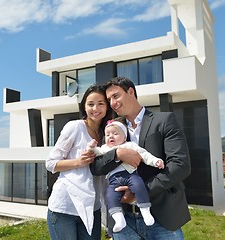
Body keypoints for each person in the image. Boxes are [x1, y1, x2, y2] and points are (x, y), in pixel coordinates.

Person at [90, 76, 191, 239]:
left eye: (116, 96)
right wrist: (117, 154)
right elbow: (96, 166)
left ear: (131, 91)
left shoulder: (164, 120)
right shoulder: (112, 128)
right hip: (124, 220)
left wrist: (138, 193)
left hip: (162, 218)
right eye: (109, 100)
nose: (112, 103)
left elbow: (180, 165)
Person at [46, 84, 113, 240]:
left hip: (92, 208)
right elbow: (50, 163)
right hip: (65, 207)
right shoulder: (75, 127)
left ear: (107, 106)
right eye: (90, 104)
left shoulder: (108, 134)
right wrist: (78, 162)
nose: (95, 108)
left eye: (100, 103)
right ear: (84, 106)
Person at [87, 117, 164, 233]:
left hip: (131, 175)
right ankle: (119, 219)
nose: (111, 136)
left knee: (139, 186)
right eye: (107, 135)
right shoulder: (105, 148)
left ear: (124, 136)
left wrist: (155, 161)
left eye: (115, 133)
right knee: (110, 196)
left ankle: (146, 212)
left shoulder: (130, 145)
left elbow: (144, 154)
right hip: (113, 180)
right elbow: (96, 153)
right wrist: (91, 147)